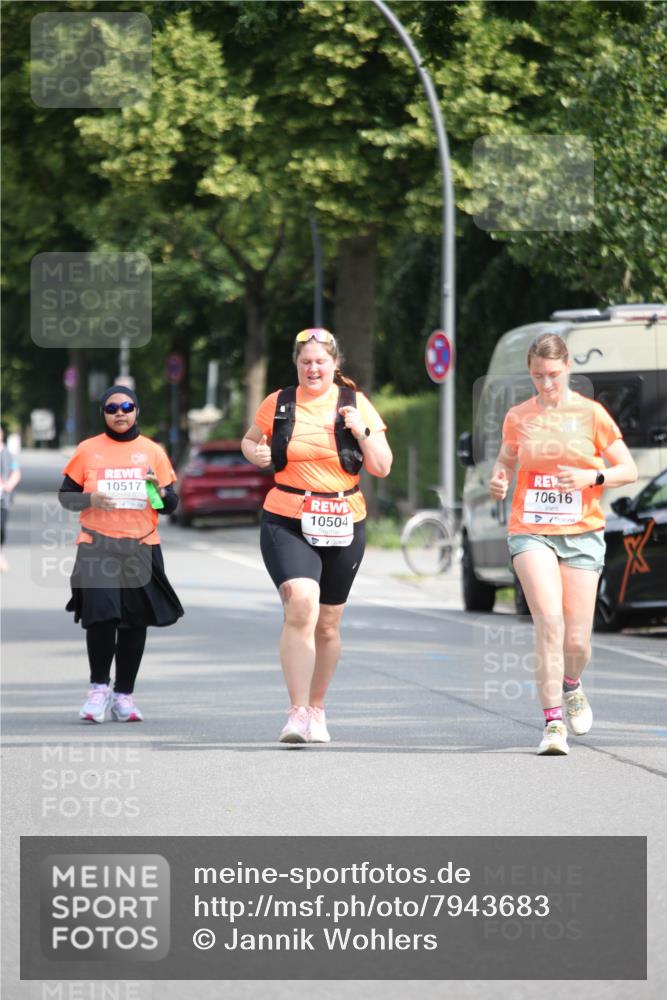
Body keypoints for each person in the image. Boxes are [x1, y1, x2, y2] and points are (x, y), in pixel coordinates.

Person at [489, 333, 637, 755]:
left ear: (568, 367)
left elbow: (626, 469)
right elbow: (506, 460)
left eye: (553, 375)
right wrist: (499, 478)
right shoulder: (520, 416)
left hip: (583, 532)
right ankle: (553, 724)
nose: (546, 384)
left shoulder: (592, 415)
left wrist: (593, 477)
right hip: (530, 529)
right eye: (537, 376)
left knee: (577, 641)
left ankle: (571, 684)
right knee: (548, 623)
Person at [242, 328, 392, 745]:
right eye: (305, 362)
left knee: (327, 624)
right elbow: (250, 441)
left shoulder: (356, 404)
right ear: (296, 364)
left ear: (335, 364)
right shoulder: (279, 402)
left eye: (320, 362)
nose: (313, 368)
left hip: (344, 517)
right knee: (301, 604)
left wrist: (361, 430)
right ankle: (296, 712)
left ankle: (318, 707)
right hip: (287, 516)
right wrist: (254, 453)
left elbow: (381, 466)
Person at [58, 385, 184, 723]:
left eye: (127, 406)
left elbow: (168, 506)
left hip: (141, 545)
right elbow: (65, 497)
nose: (120, 413)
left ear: (136, 410)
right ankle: (98, 689)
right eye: (112, 408)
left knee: (133, 622)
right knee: (101, 616)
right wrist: (90, 500)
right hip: (96, 543)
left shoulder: (152, 452)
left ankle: (123, 695)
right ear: (103, 413)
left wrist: (156, 491)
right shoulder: (87, 451)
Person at [0, 422, 21, 572]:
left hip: (3, 497)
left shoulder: (7, 454)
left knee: (1, 527)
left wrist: (9, 485)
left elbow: (16, 472)